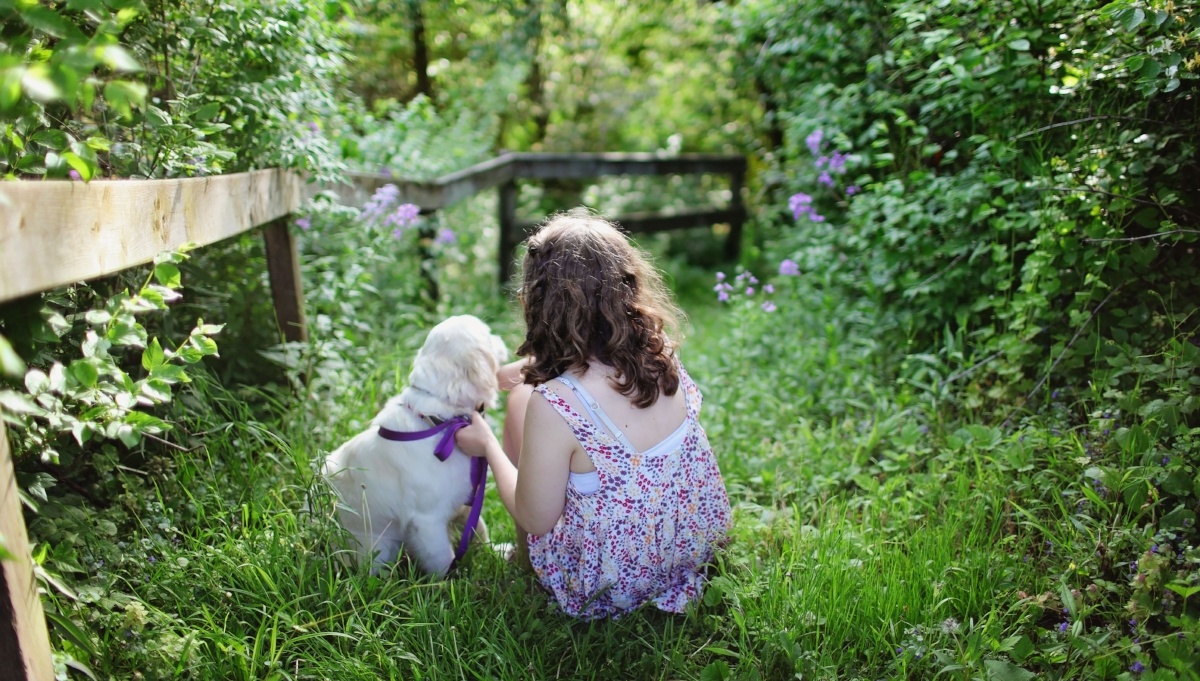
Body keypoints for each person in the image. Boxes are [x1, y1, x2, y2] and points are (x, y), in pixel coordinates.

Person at [454, 209, 732, 619]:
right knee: (522, 392)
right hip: (688, 550)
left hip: (609, 582)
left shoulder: (553, 404)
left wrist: (489, 447)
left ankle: (526, 562)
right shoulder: (661, 357)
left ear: (534, 302)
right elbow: (581, 373)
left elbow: (536, 518)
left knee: (519, 401)